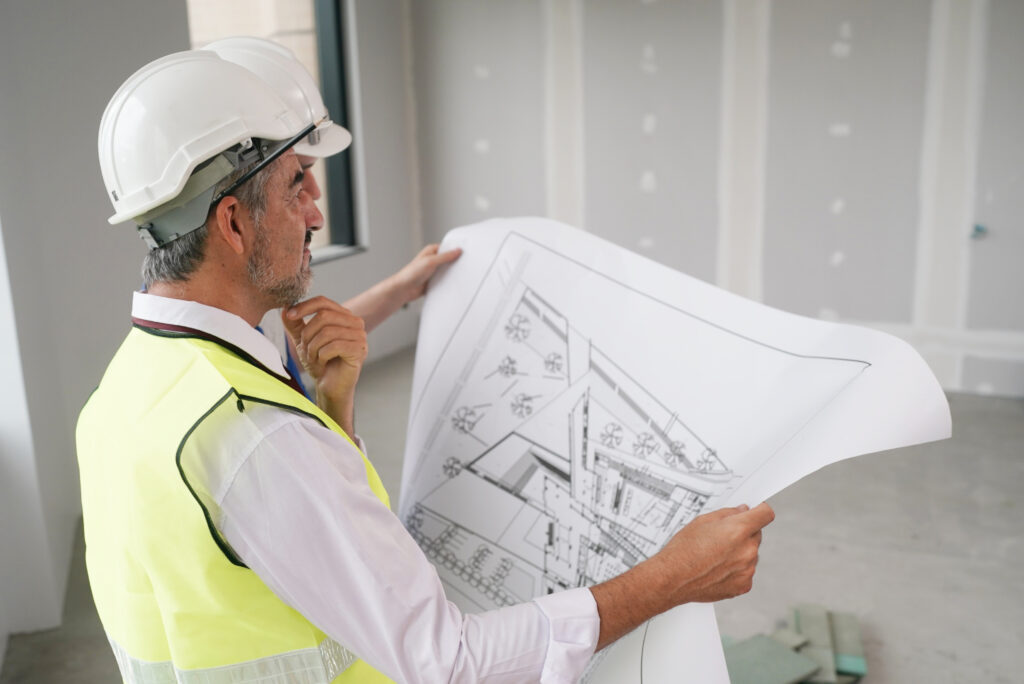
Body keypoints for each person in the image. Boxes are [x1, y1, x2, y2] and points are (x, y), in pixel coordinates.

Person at [78, 48, 774, 684]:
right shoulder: (261, 438)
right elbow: (449, 661)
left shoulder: (136, 386)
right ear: (232, 224)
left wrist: (385, 313)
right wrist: (674, 576)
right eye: (297, 185)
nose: (318, 210)